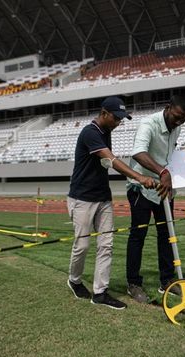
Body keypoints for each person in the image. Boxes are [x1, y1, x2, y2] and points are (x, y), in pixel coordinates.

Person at [67, 96, 157, 310]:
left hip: (103, 198)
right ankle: (74, 280)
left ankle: (100, 293)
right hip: (81, 198)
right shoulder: (90, 132)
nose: (118, 123)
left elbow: (106, 162)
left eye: (121, 119)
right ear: (104, 113)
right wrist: (139, 177)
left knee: (106, 245)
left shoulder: (106, 131)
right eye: (116, 118)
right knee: (82, 245)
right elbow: (111, 160)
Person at [125, 95, 185, 303]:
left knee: (166, 235)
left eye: (184, 119)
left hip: (164, 189)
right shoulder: (149, 124)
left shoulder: (177, 127)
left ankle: (167, 281)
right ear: (167, 108)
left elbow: (169, 155)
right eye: (177, 117)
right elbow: (138, 152)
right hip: (142, 188)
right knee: (138, 235)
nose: (179, 122)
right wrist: (162, 171)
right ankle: (133, 283)